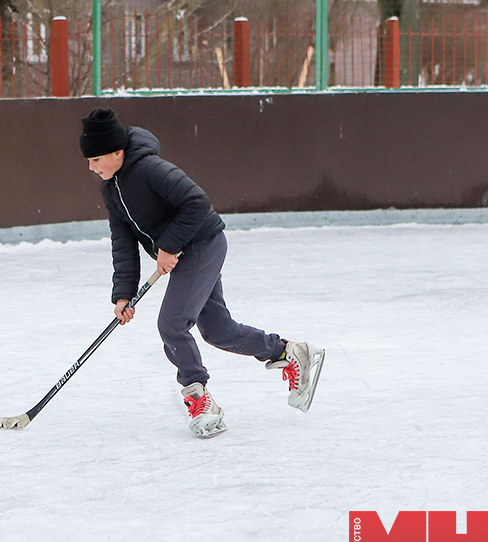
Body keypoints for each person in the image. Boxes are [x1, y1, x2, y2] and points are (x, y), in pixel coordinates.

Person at [79, 107, 324, 438]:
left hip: (202, 245)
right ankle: (288, 353)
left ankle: (198, 396)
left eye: (96, 160)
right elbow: (122, 242)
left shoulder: (151, 169)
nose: (92, 168)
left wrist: (168, 246)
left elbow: (196, 202)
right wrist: (123, 293)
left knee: (172, 323)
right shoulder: (111, 190)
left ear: (117, 152)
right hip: (185, 253)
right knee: (219, 331)